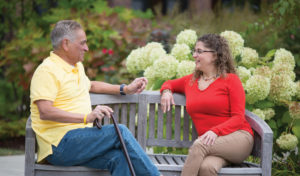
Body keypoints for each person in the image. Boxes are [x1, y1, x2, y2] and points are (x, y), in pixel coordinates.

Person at [30, 20, 160, 176]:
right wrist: (86, 117)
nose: (86, 48)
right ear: (66, 44)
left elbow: (90, 85)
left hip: (81, 142)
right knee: (121, 132)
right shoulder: (47, 70)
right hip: (59, 145)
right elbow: (45, 111)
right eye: (82, 43)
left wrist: (125, 89)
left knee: (119, 158)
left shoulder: (75, 66)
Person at [160, 34, 254, 176]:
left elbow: (238, 118)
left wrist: (215, 131)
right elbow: (169, 83)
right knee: (207, 168)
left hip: (238, 139)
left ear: (215, 55)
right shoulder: (191, 81)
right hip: (212, 144)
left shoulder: (231, 80)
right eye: (194, 51)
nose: (194, 55)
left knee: (199, 144)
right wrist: (166, 91)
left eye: (199, 51)